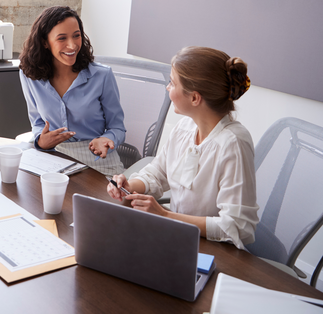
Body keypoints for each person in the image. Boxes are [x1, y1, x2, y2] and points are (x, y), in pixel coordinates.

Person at [107, 46, 259, 250]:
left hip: (213, 249)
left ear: (195, 98)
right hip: (178, 236)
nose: (167, 88)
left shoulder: (233, 144)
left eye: (172, 83)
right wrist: (129, 185)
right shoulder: (185, 127)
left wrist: (165, 215)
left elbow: (237, 226)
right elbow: (158, 173)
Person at [19, 6, 127, 175]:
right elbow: (38, 122)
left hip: (98, 160)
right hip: (55, 158)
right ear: (45, 42)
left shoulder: (102, 76)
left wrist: (107, 139)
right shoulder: (29, 76)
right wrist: (41, 141)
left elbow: (118, 127)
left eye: (76, 36)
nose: (72, 45)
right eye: (62, 38)